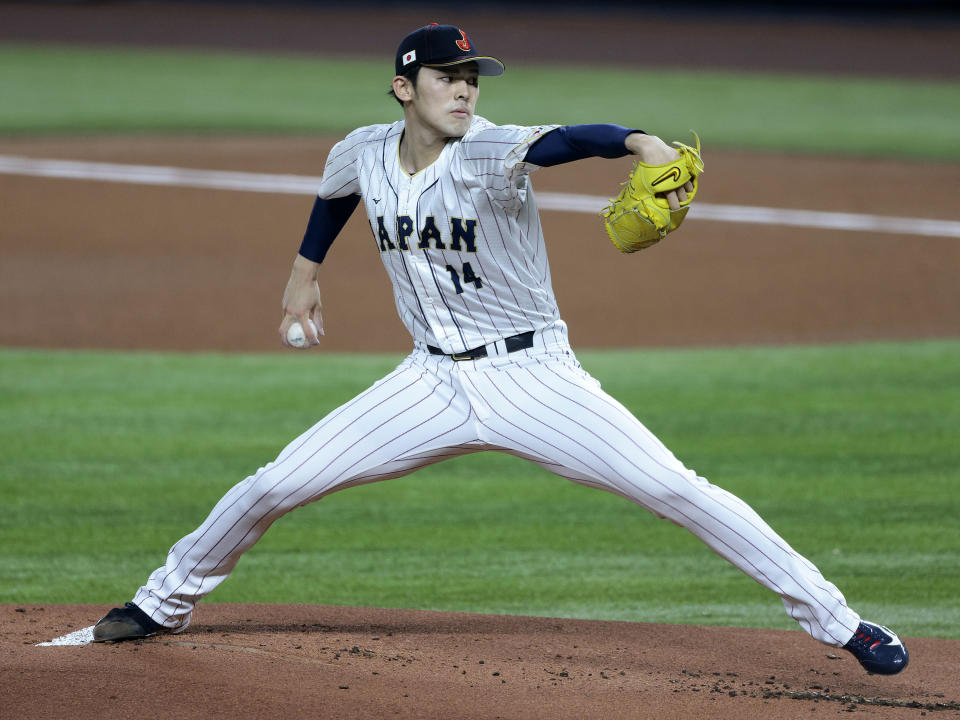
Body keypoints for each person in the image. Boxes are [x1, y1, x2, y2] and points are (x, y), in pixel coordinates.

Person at [93, 23, 908, 676]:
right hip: (427, 385)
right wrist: (303, 276)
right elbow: (335, 196)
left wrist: (639, 142)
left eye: (472, 77)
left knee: (676, 488)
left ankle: (844, 623)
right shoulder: (362, 149)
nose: (465, 89)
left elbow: (562, 141)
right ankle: (162, 601)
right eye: (449, 77)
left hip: (535, 379)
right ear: (404, 87)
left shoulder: (488, 147)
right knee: (275, 482)